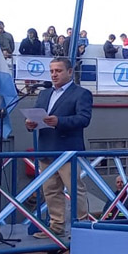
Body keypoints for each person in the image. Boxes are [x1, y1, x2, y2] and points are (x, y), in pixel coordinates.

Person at [25, 57, 93, 238]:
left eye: (58, 71)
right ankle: (56, 227)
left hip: (67, 150)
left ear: (70, 72)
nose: (54, 74)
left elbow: (84, 119)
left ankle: (83, 226)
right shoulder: (44, 94)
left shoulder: (81, 93)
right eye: (52, 71)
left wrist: (59, 122)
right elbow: (36, 115)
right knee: (50, 190)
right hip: (47, 148)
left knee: (74, 189)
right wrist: (30, 124)